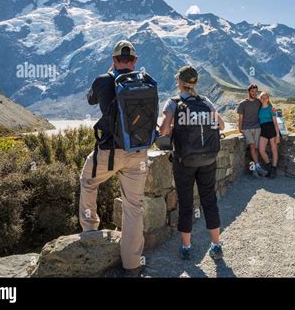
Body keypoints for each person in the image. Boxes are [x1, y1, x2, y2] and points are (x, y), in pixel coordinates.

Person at [79, 40, 148, 277]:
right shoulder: (145, 82)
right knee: (133, 207)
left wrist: (109, 75)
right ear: (135, 61)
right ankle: (132, 264)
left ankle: (90, 232)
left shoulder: (103, 80)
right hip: (138, 153)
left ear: (114, 59)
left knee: (88, 181)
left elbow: (90, 99)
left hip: (109, 152)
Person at [160, 65, 225, 261]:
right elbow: (221, 125)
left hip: (185, 161)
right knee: (209, 201)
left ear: (180, 82)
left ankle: (187, 247)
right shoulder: (205, 101)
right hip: (208, 159)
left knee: (186, 203)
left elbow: (163, 130)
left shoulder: (173, 103)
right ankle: (216, 244)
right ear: (195, 82)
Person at [237, 84, 268, 177]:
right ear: (249, 92)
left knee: (257, 148)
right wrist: (240, 129)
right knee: (252, 146)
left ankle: (254, 170)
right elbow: (240, 118)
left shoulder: (258, 102)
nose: (254, 93)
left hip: (257, 127)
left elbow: (267, 105)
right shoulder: (242, 104)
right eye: (252, 91)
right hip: (247, 128)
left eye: (256, 92)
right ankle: (258, 168)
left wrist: (273, 111)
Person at [257, 91, 280, 179]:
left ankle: (273, 169)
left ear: (268, 98)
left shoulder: (271, 108)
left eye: (265, 97)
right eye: (262, 97)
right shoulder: (259, 108)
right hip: (263, 131)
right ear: (260, 98)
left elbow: (275, 122)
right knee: (261, 150)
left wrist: (277, 134)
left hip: (271, 130)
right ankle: (269, 166)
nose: (264, 99)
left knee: (274, 149)